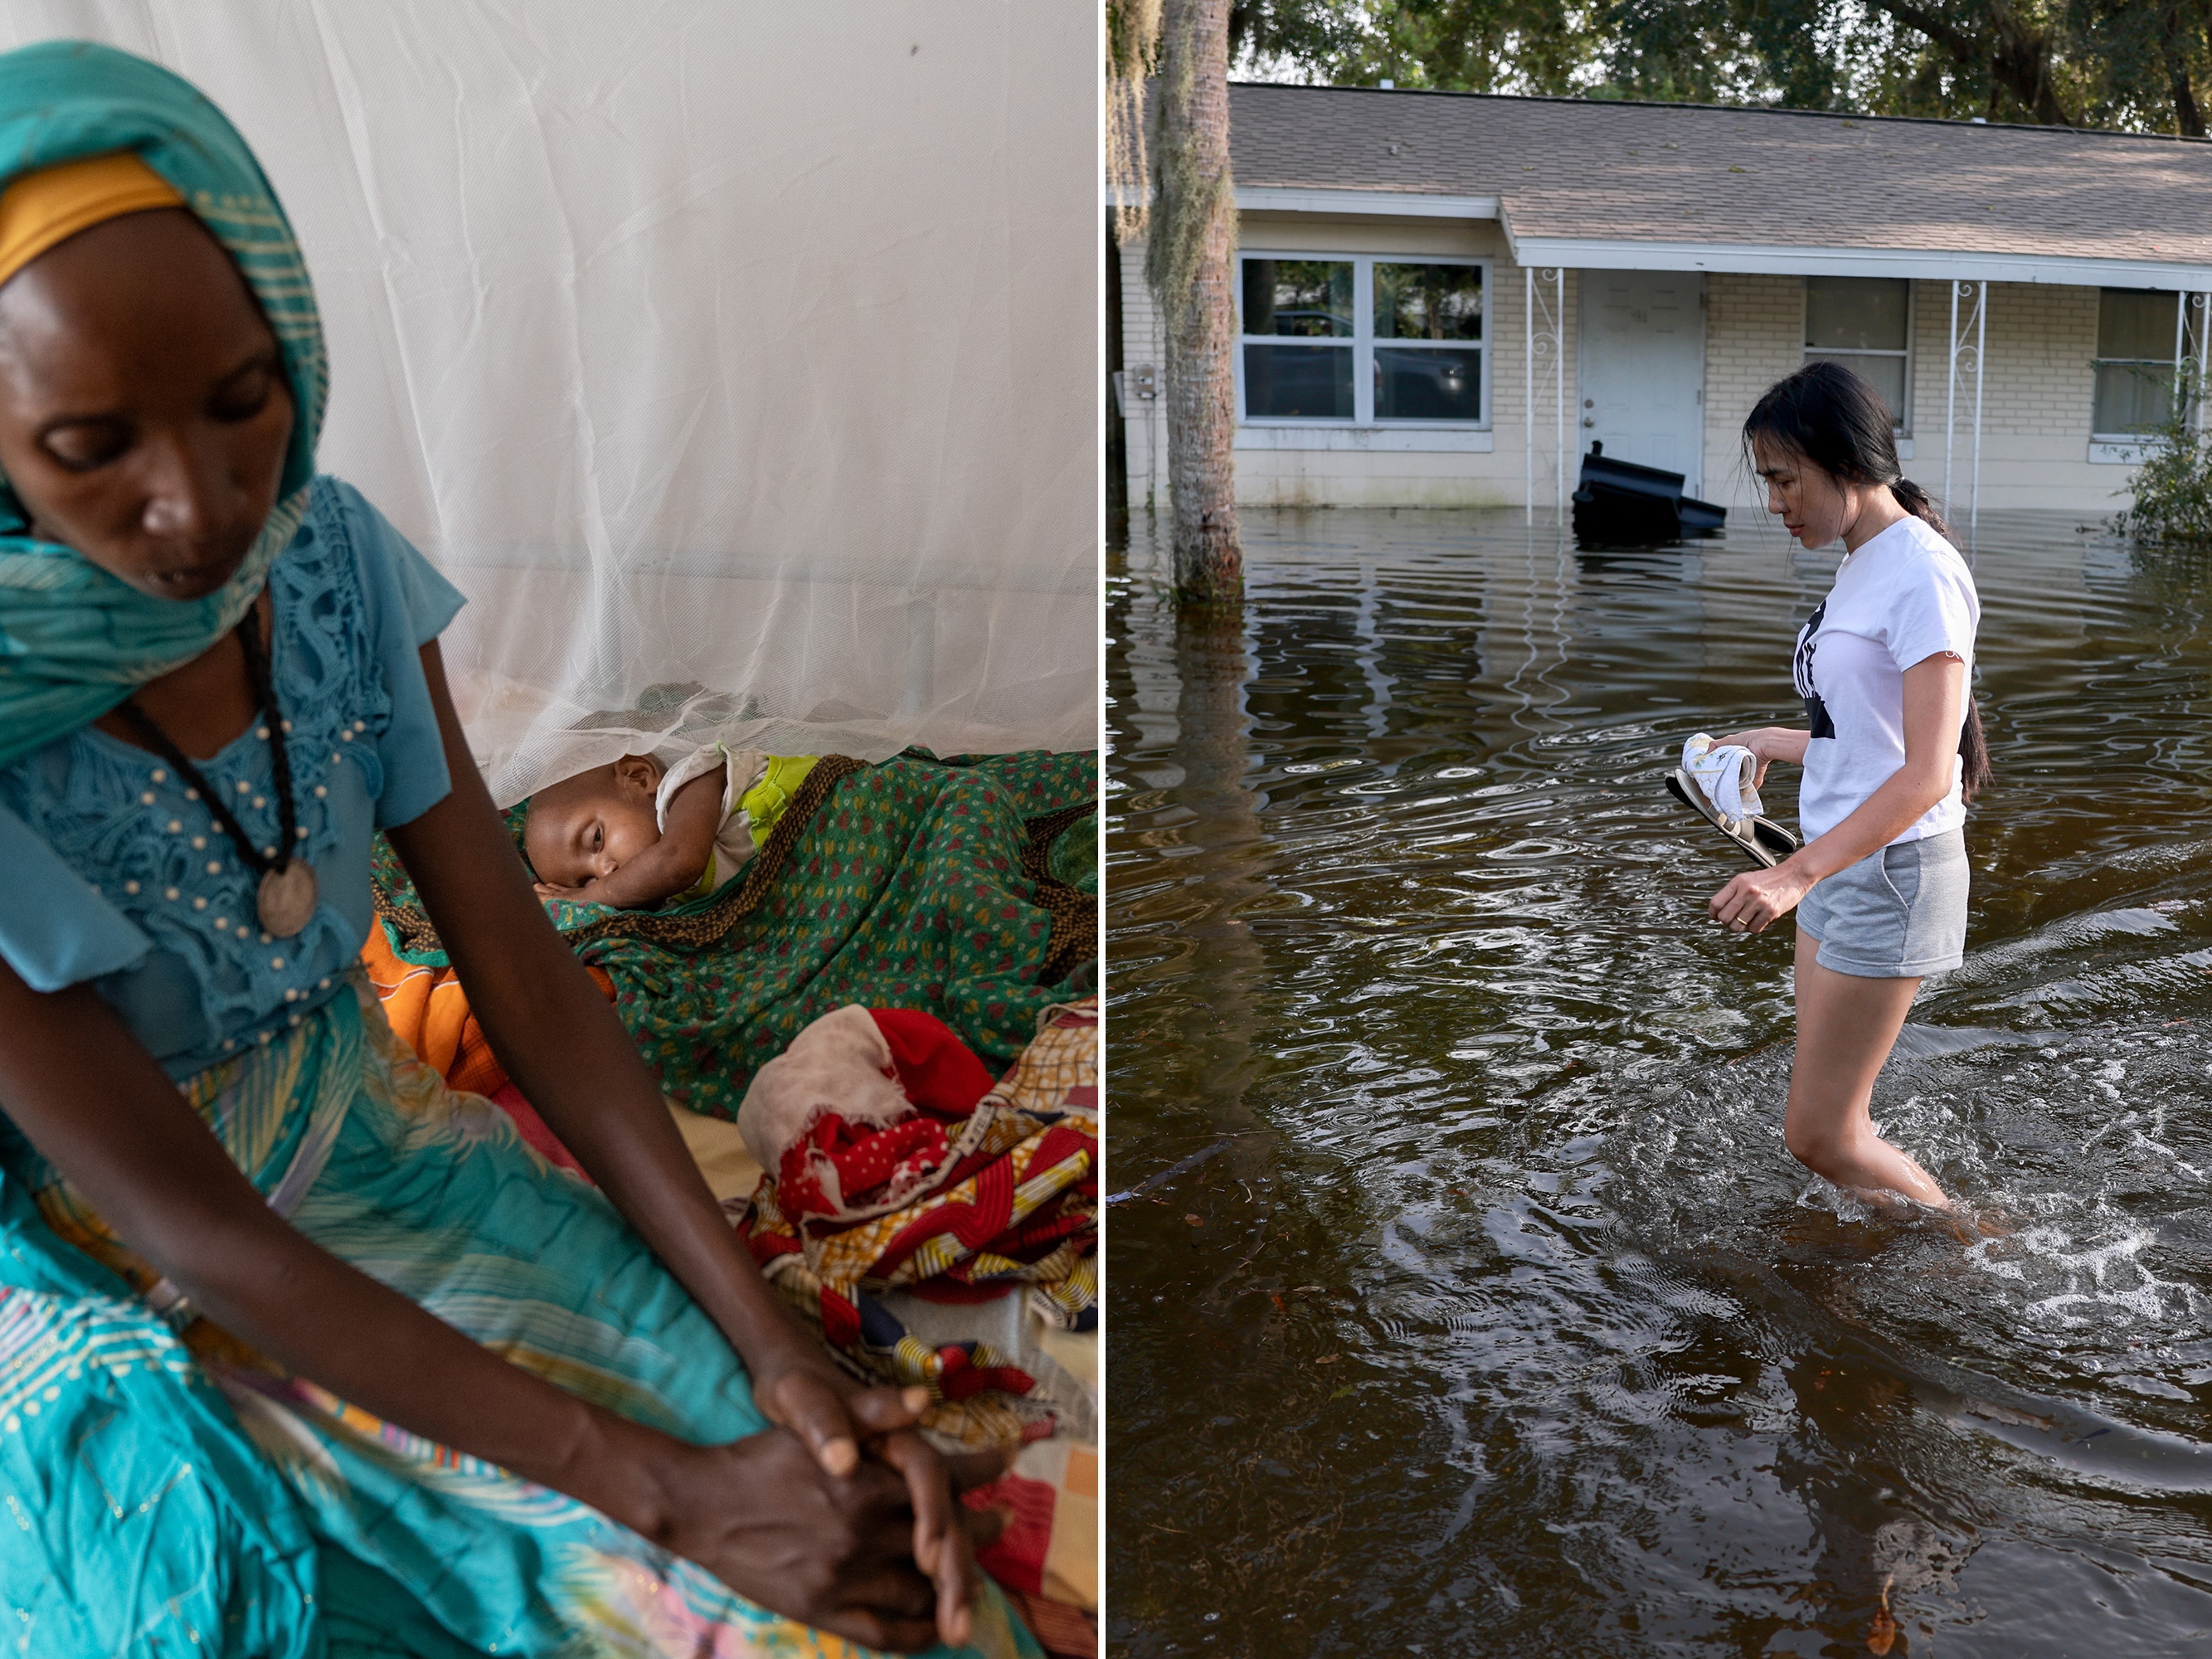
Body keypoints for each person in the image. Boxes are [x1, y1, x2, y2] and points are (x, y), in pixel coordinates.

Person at [0, 41, 1034, 1659]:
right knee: (232, 1592)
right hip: (121, 1259)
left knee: (870, 1582)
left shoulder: (329, 566)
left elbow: (527, 977)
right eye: (89, 446)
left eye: (240, 402)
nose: (198, 504)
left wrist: (760, 1339)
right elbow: (196, 1227)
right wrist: (668, 1496)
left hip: (360, 1142)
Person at [1708, 360, 1986, 1212]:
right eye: (1769, 480)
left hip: (1889, 871)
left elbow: (1926, 772)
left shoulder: (1921, 572)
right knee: (1828, 1123)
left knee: (1822, 1134)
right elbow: (1867, 739)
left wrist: (1792, 873)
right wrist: (1769, 741)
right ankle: (1874, 1233)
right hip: (1840, 864)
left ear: (1845, 462)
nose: (1774, 502)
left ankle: (1976, 1243)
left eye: (1785, 478)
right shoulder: (1863, 561)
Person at [525, 745, 819, 907]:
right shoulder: (668, 898)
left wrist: (581, 897)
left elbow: (678, 862)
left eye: (597, 838)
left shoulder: (690, 783)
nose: (605, 873)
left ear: (639, 778)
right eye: (586, 881)